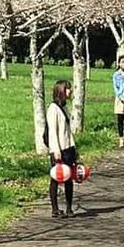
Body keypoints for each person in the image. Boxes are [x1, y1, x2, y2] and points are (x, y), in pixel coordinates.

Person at [47, 78, 77, 219]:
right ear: (61, 91)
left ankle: (69, 207)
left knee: (69, 178)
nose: (70, 91)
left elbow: (67, 130)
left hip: (68, 147)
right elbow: (52, 130)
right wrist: (56, 149)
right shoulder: (53, 109)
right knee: (56, 178)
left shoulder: (64, 107)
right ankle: (55, 209)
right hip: (59, 149)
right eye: (68, 88)